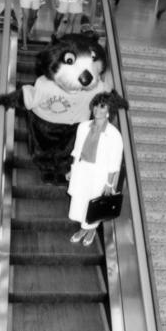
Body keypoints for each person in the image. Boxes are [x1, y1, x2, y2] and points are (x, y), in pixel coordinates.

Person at [66, 90, 128, 247]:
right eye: (96, 106)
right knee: (79, 201)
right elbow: (77, 151)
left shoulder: (114, 135)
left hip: (99, 174)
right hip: (82, 170)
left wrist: (109, 184)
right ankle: (83, 228)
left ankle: (91, 230)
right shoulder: (83, 126)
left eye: (102, 107)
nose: (97, 110)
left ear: (109, 110)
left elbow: (115, 162)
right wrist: (72, 170)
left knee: (92, 202)